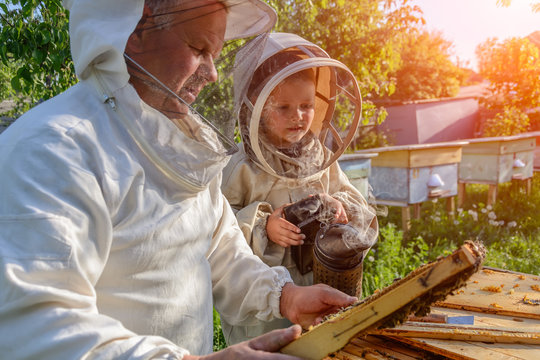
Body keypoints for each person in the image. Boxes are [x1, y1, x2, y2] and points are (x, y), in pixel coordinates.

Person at [0, 1, 358, 359]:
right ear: (136, 32)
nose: (213, 73)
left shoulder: (177, 144)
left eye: (215, 54)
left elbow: (221, 251)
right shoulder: (54, 150)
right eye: (199, 49)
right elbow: (36, 327)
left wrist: (286, 296)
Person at [221, 32, 379, 344]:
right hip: (264, 301)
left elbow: (351, 198)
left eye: (306, 105)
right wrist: (265, 225)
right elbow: (218, 229)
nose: (298, 117)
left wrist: (338, 206)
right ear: (257, 109)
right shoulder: (241, 167)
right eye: (283, 108)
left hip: (316, 282)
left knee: (318, 345)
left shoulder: (319, 155)